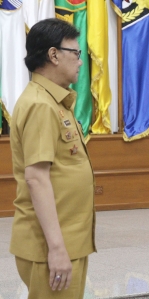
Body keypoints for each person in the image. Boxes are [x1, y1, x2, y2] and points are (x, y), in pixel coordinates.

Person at [9, 18, 96, 299]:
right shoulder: (40, 105)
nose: (81, 61)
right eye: (76, 53)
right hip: (51, 247)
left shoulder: (54, 101)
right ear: (54, 55)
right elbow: (36, 178)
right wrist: (57, 249)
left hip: (67, 241)